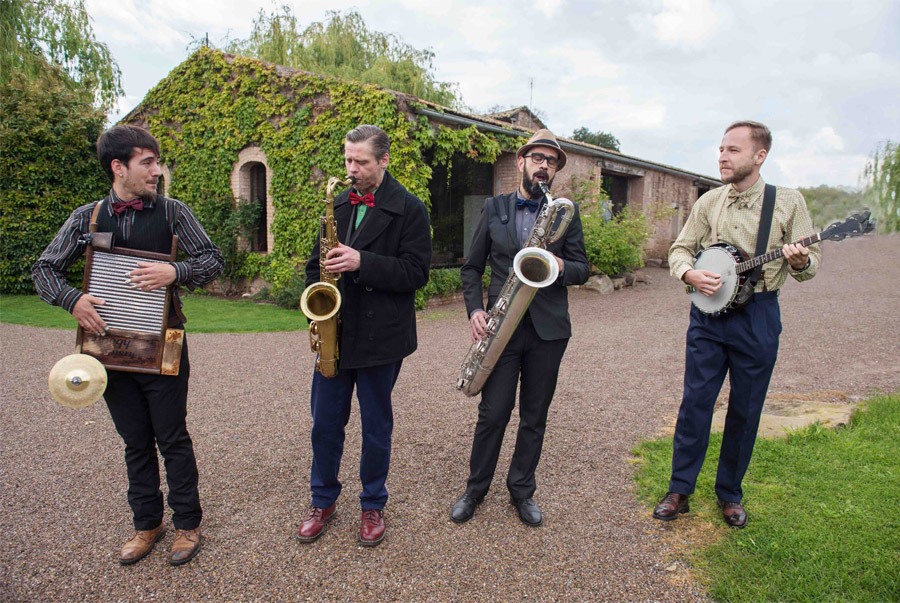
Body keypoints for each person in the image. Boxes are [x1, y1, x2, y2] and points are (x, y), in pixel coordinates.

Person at [32, 125, 224, 565]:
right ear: (119, 168)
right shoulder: (88, 217)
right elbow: (44, 269)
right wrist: (73, 298)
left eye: (157, 162)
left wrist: (175, 272)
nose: (157, 171)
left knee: (172, 436)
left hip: (167, 339)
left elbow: (213, 259)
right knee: (134, 439)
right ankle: (146, 524)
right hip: (107, 346)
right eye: (147, 163)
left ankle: (187, 525)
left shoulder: (175, 212)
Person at [654, 120, 821, 528]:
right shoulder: (709, 201)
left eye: (733, 150)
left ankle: (729, 493)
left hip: (758, 315)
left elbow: (811, 267)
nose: (722, 156)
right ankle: (680, 489)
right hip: (707, 315)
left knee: (745, 409)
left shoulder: (788, 202)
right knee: (695, 403)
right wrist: (689, 275)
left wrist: (801, 261)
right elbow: (680, 249)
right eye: (721, 148)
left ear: (759, 156)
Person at [297, 124, 432, 547]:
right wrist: (314, 308)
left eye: (361, 162)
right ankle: (323, 499)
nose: (351, 169)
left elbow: (416, 273)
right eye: (348, 159)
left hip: (381, 338)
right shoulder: (335, 203)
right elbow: (313, 264)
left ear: (384, 160)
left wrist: (363, 262)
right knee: (324, 424)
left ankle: (372, 503)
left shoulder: (410, 209)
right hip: (335, 332)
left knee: (375, 427)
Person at [450, 129, 589, 527]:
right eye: (538, 158)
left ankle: (521, 491)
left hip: (548, 330)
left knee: (534, 415)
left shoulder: (565, 213)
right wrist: (475, 311)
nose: (544, 166)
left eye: (551, 161)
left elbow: (582, 268)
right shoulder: (495, 208)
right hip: (501, 325)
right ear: (522, 161)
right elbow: (471, 268)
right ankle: (475, 490)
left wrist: (558, 265)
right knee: (493, 413)